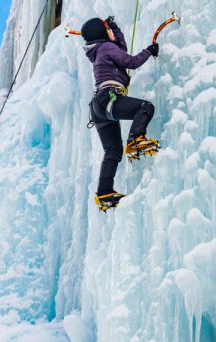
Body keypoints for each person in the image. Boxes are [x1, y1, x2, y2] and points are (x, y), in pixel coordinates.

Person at [81, 16, 160, 209]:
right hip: (109, 99)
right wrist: (149, 51)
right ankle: (135, 139)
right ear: (101, 32)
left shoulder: (99, 51)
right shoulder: (106, 48)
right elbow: (130, 61)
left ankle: (104, 193)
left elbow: (119, 49)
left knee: (113, 151)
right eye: (107, 28)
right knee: (145, 107)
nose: (110, 31)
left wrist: (114, 28)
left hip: (98, 108)